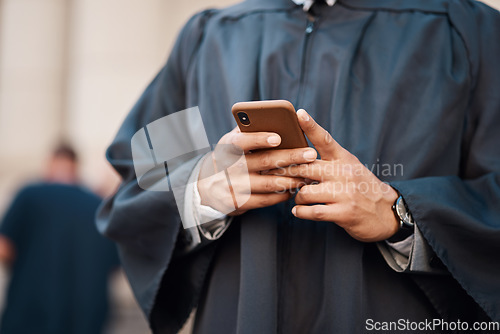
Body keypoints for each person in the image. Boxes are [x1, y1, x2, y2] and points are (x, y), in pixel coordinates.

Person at [97, 0, 500, 333]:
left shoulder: (466, 35)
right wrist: (201, 191)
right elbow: (140, 180)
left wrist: (399, 214)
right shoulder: (210, 42)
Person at [0, 144, 120, 334]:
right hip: (86, 321)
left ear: (50, 163)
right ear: (75, 166)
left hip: (29, 318)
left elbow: (4, 248)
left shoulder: (29, 195)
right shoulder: (99, 207)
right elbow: (116, 263)